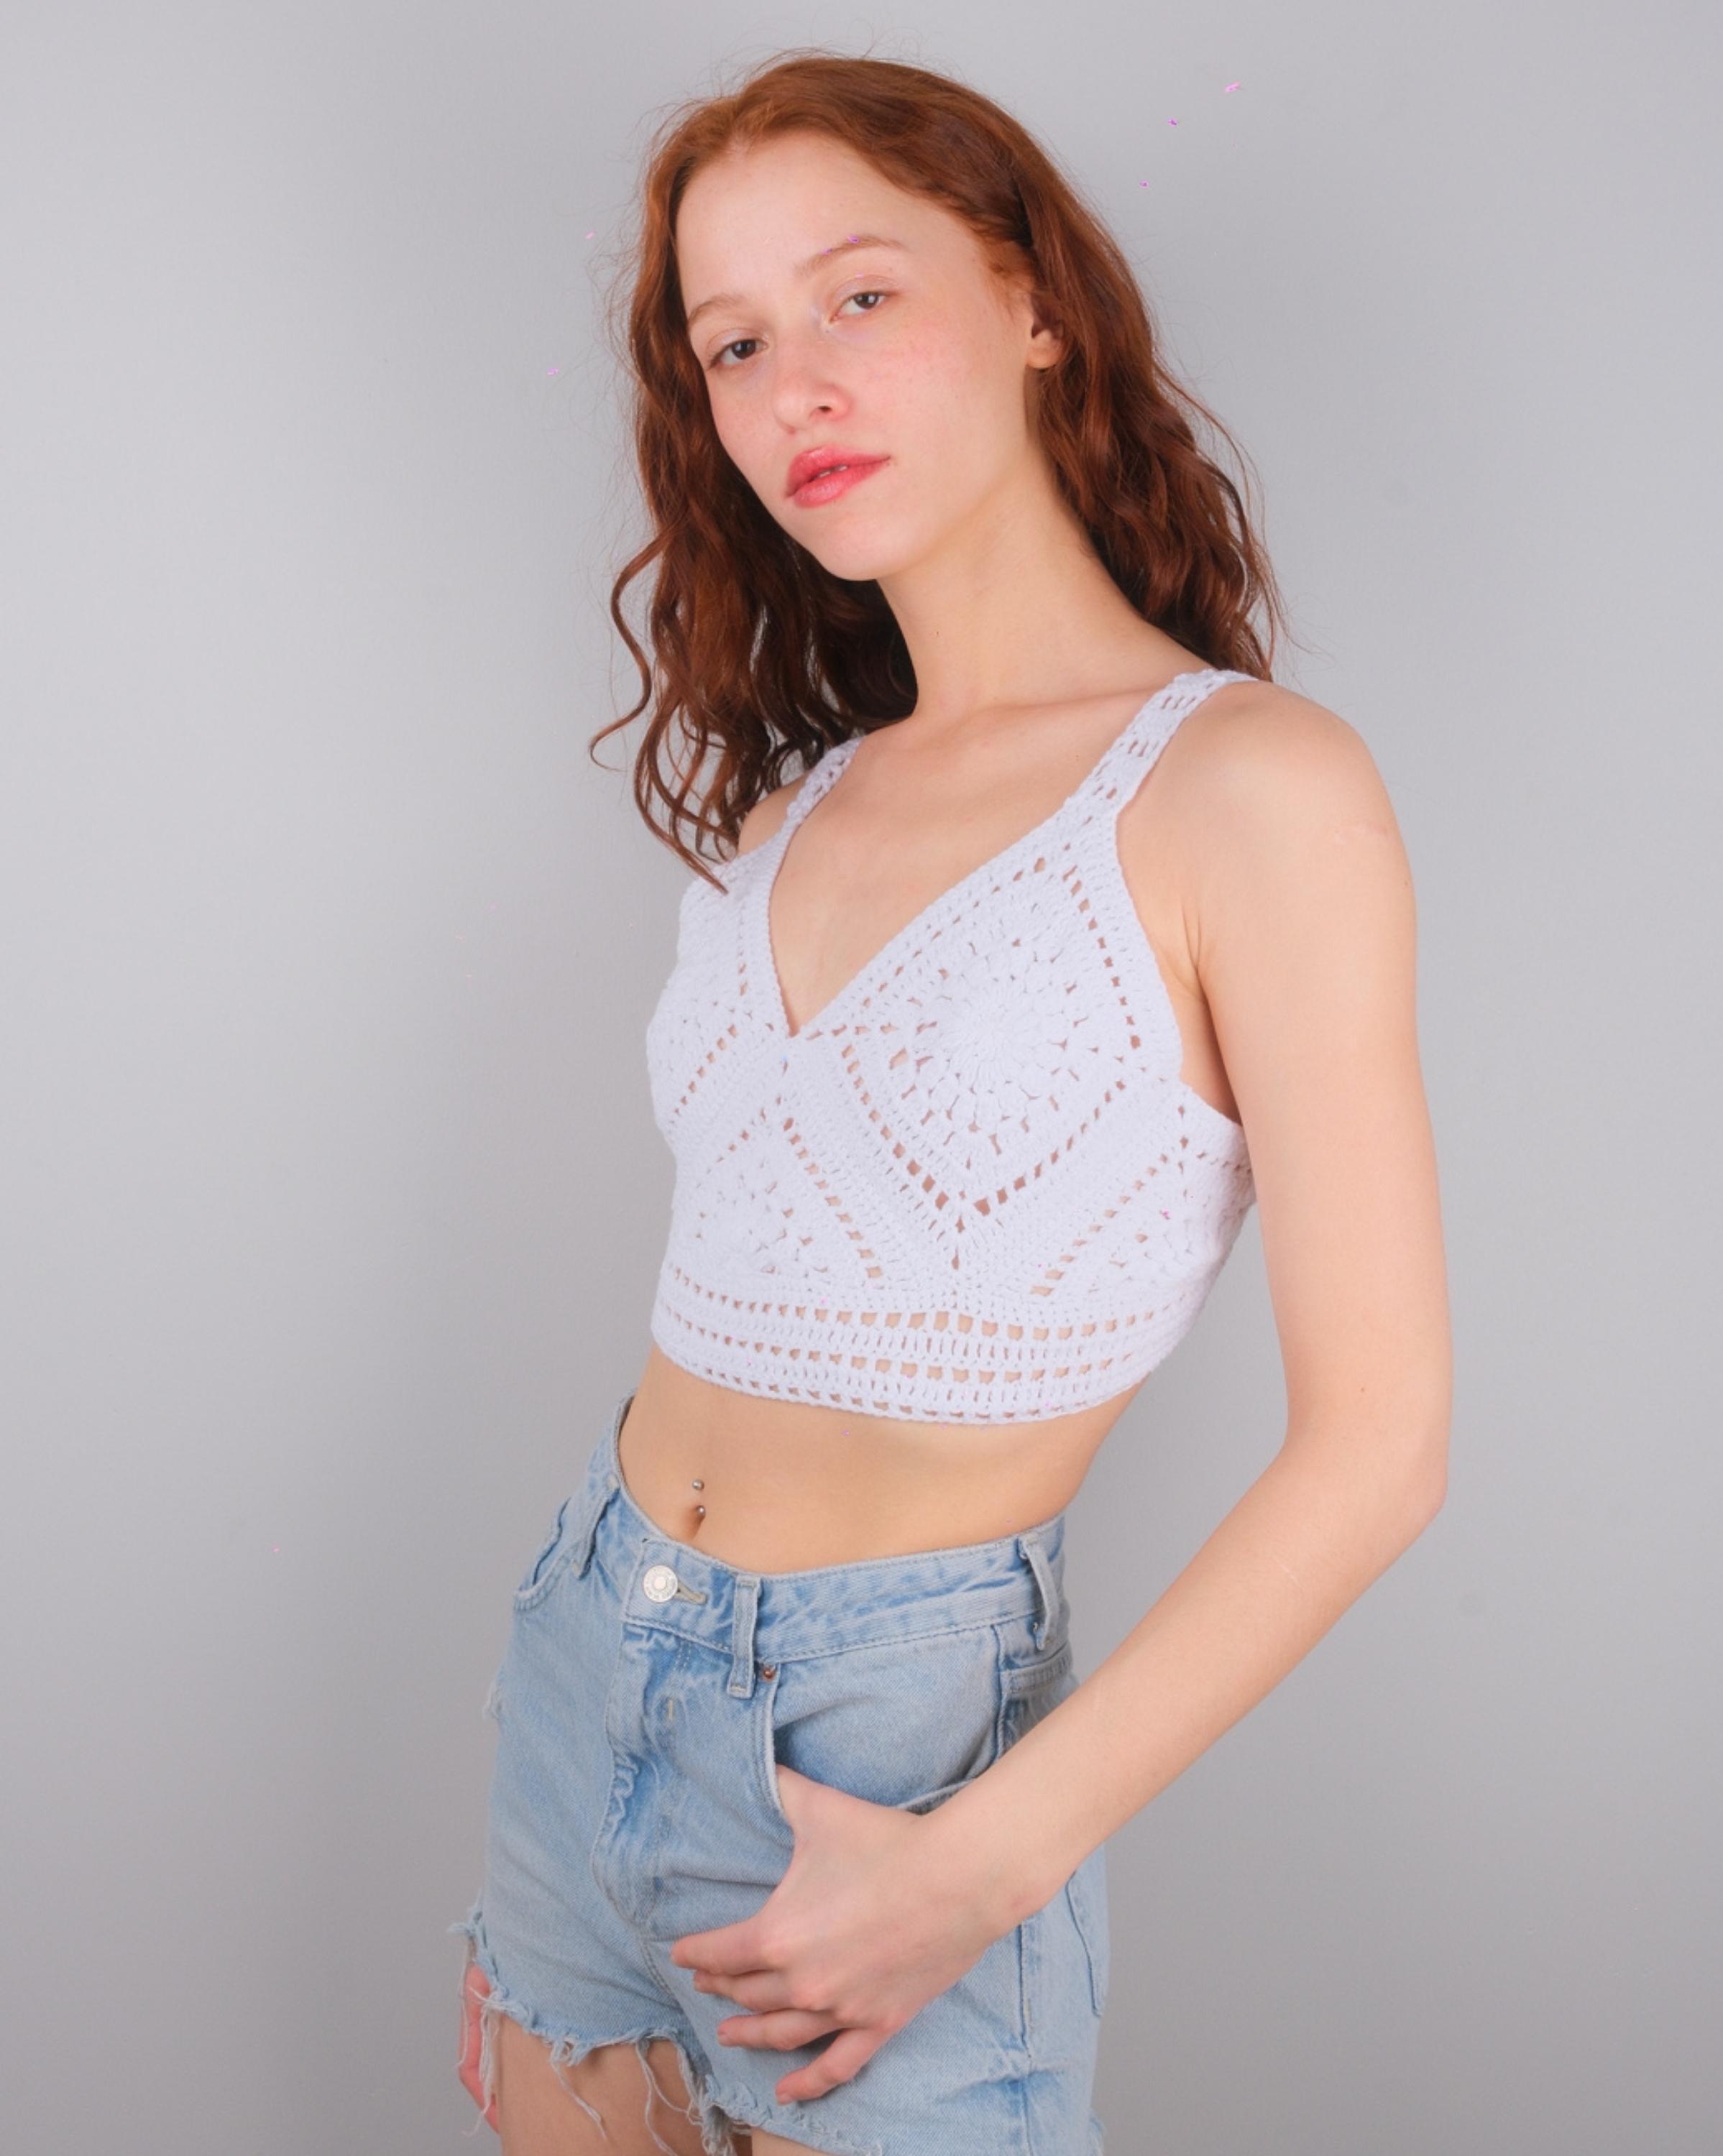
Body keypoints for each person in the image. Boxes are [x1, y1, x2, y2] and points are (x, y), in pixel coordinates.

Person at [449, 49, 1451, 2156]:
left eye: (859, 296)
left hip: (898, 1764)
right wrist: (581, 1789)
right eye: (734, 342)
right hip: (592, 1664)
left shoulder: (1248, 788)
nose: (793, 385)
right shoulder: (790, 812)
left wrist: (983, 1866)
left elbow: (1379, 1448)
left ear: (1033, 302)